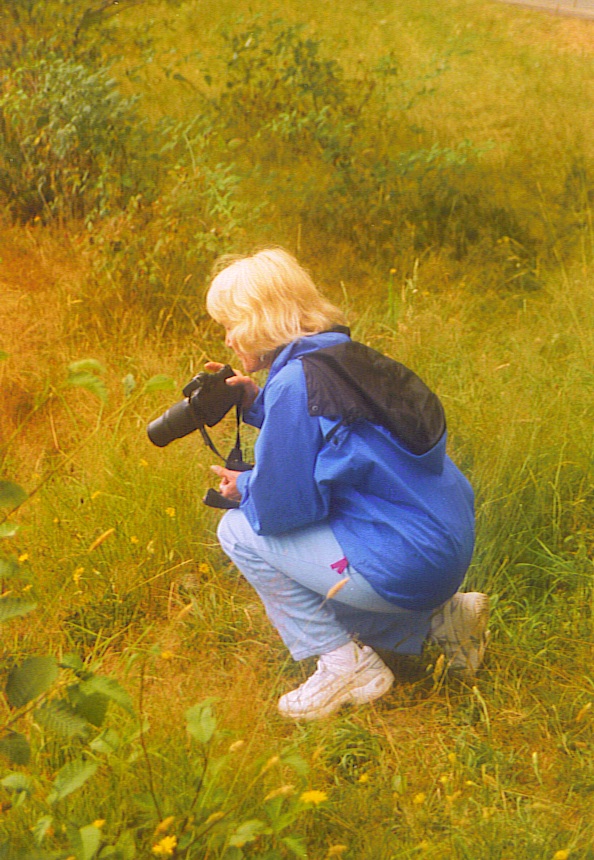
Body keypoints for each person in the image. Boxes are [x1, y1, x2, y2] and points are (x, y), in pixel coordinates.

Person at [205, 247, 489, 721]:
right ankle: (441, 620)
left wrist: (245, 488)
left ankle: (346, 666)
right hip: (442, 542)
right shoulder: (341, 355)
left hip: (408, 562)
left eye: (231, 324)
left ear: (259, 319)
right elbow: (335, 436)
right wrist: (258, 403)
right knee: (311, 552)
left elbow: (283, 510)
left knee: (238, 531)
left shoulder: (294, 384)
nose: (228, 338)